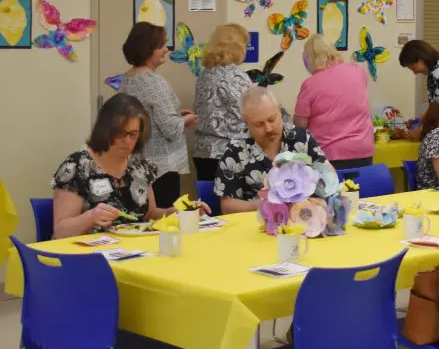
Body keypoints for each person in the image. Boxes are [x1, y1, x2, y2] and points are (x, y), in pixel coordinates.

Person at [44, 94, 206, 349]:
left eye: (134, 134)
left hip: (136, 257)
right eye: (122, 134)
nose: (128, 142)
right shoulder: (78, 166)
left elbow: (152, 213)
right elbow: (60, 231)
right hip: (89, 268)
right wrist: (91, 216)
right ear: (105, 129)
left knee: (170, 285)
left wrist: (182, 210)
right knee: (141, 297)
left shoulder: (139, 165)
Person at [117, 22, 196, 207]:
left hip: (136, 162)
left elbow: (145, 114)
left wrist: (176, 113)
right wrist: (185, 120)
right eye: (160, 46)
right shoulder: (154, 82)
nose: (165, 50)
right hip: (160, 167)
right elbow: (170, 128)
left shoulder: (128, 79)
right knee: (163, 219)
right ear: (148, 49)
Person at [215, 87, 328, 214]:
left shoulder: (302, 139)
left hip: (305, 218)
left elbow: (329, 176)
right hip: (257, 223)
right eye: (259, 124)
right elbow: (227, 206)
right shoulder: (235, 151)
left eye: (272, 119)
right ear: (246, 122)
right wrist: (262, 205)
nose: (268, 128)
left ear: (279, 111)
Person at [294, 34, 375, 170]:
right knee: (360, 189)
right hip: (362, 150)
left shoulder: (310, 85)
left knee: (331, 191)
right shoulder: (357, 71)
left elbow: (301, 124)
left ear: (310, 58)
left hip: (329, 155)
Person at [194, 23, 252, 181]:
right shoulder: (236, 76)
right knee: (231, 204)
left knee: (207, 203)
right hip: (229, 154)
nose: (246, 50)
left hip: (202, 152)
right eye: (244, 46)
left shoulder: (204, 75)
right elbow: (250, 113)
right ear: (236, 47)